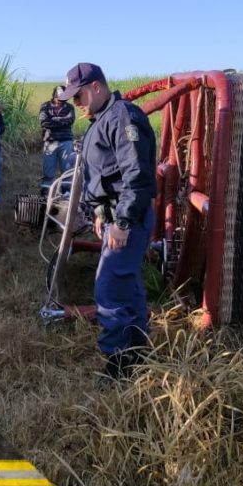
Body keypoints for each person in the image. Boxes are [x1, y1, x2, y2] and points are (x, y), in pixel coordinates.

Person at [57, 63, 157, 380]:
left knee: (109, 289)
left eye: (79, 96)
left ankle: (118, 365)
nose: (76, 103)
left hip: (128, 218)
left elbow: (136, 176)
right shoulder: (102, 119)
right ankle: (138, 350)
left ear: (97, 87)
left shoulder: (123, 118)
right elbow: (105, 175)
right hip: (115, 216)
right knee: (127, 284)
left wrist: (122, 222)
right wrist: (102, 215)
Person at [38, 85, 75, 192]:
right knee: (48, 171)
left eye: (63, 99)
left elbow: (70, 121)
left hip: (66, 142)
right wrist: (62, 121)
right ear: (53, 96)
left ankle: (66, 193)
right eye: (58, 98)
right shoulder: (45, 106)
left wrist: (54, 119)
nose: (60, 101)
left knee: (67, 171)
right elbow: (44, 122)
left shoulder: (70, 107)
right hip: (50, 143)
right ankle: (46, 193)